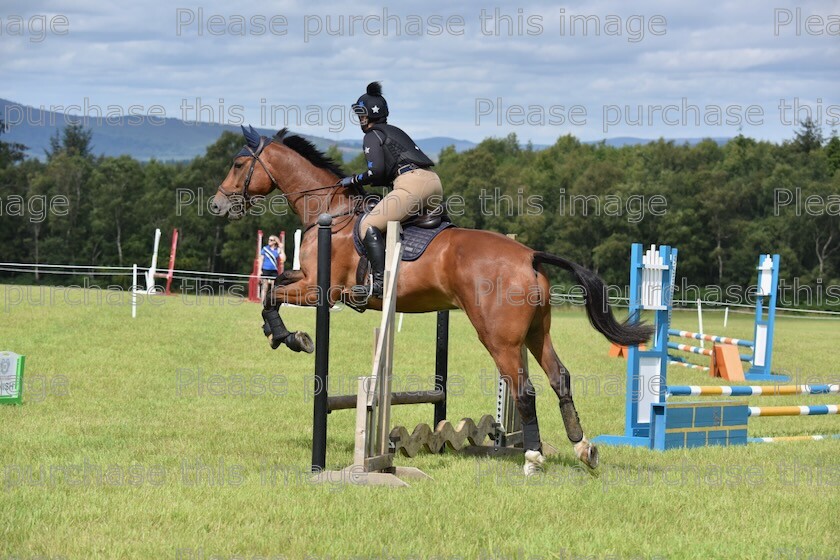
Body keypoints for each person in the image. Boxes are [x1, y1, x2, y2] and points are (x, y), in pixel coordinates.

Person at [338, 82, 442, 300]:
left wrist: (353, 179)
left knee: (368, 224)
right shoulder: (395, 131)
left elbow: (375, 172)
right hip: (433, 182)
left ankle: (378, 283)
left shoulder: (372, 135)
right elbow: (386, 173)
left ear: (369, 115)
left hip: (411, 184)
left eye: (361, 114)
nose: (359, 119)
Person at [258, 235, 283, 300]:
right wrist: (260, 270)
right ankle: (263, 302)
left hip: (274, 270)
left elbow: (283, 259)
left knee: (274, 287)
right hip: (265, 269)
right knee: (264, 287)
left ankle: (271, 302)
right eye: (269, 240)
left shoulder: (277, 250)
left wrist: (281, 249)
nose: (269, 241)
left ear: (275, 242)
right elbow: (261, 259)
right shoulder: (265, 249)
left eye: (271, 240)